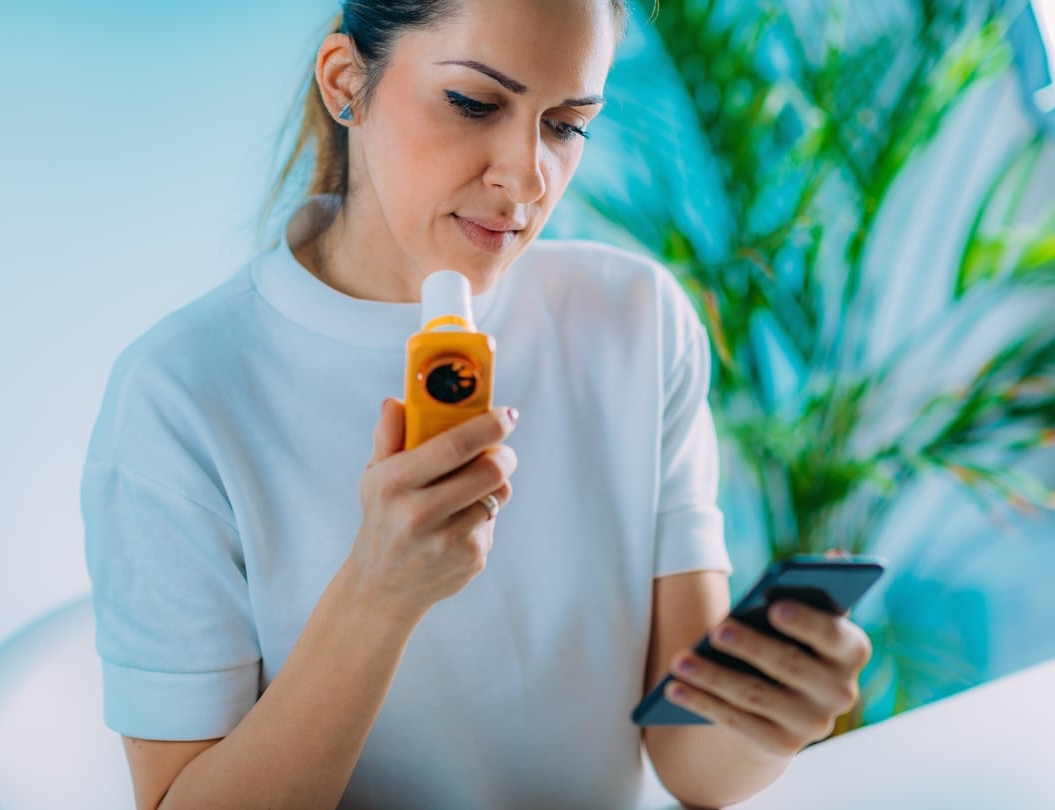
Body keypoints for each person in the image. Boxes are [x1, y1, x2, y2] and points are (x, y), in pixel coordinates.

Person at [81, 1, 873, 808]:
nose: (526, 177)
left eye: (566, 125)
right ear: (346, 81)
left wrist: (771, 717)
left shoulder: (636, 321)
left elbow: (691, 763)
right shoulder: (179, 397)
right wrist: (379, 592)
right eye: (474, 103)